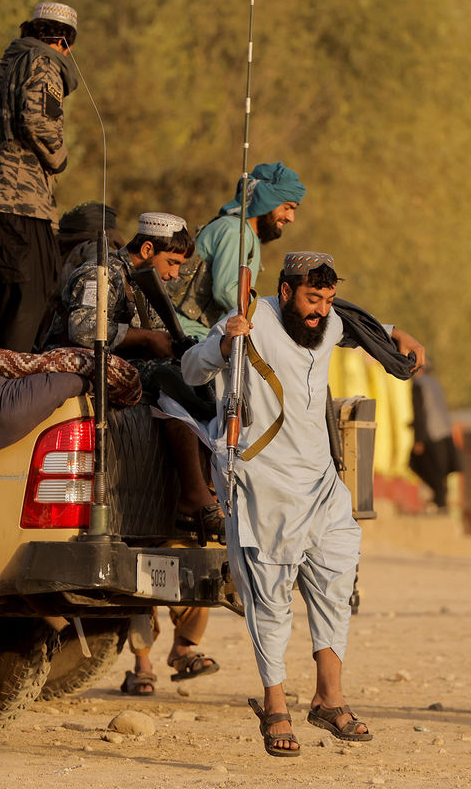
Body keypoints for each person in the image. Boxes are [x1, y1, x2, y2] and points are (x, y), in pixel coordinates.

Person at [181, 252, 424, 756]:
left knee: (337, 583)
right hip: (263, 482)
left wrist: (397, 334)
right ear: (287, 292)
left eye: (328, 300)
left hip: (322, 482)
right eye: (313, 299)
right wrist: (226, 344)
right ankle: (275, 706)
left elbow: (357, 325)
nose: (322, 311)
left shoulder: (330, 322)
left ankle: (328, 700)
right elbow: (190, 371)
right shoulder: (254, 319)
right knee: (270, 597)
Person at [47, 212, 225, 694]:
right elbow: (86, 333)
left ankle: (205, 489)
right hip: (86, 366)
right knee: (177, 383)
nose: (171, 275)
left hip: (123, 369)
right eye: (169, 263)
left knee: (196, 389)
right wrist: (148, 339)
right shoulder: (101, 273)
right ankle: (202, 492)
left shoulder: (137, 281)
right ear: (147, 251)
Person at [0, 1, 78, 353]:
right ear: (64, 43)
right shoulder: (43, 64)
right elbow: (39, 124)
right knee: (30, 300)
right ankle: (11, 391)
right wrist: (59, 160)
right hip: (19, 205)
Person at [167, 162, 305, 339]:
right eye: (286, 208)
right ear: (265, 200)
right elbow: (227, 291)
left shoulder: (245, 234)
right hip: (184, 332)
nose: (291, 218)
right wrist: (273, 318)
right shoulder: (236, 232)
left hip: (201, 333)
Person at [408, 372, 461, 508]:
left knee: (415, 463)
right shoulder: (434, 383)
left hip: (430, 434)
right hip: (444, 431)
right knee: (440, 470)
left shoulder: (418, 385)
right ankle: (440, 499)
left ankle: (440, 496)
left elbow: (420, 412)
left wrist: (418, 439)